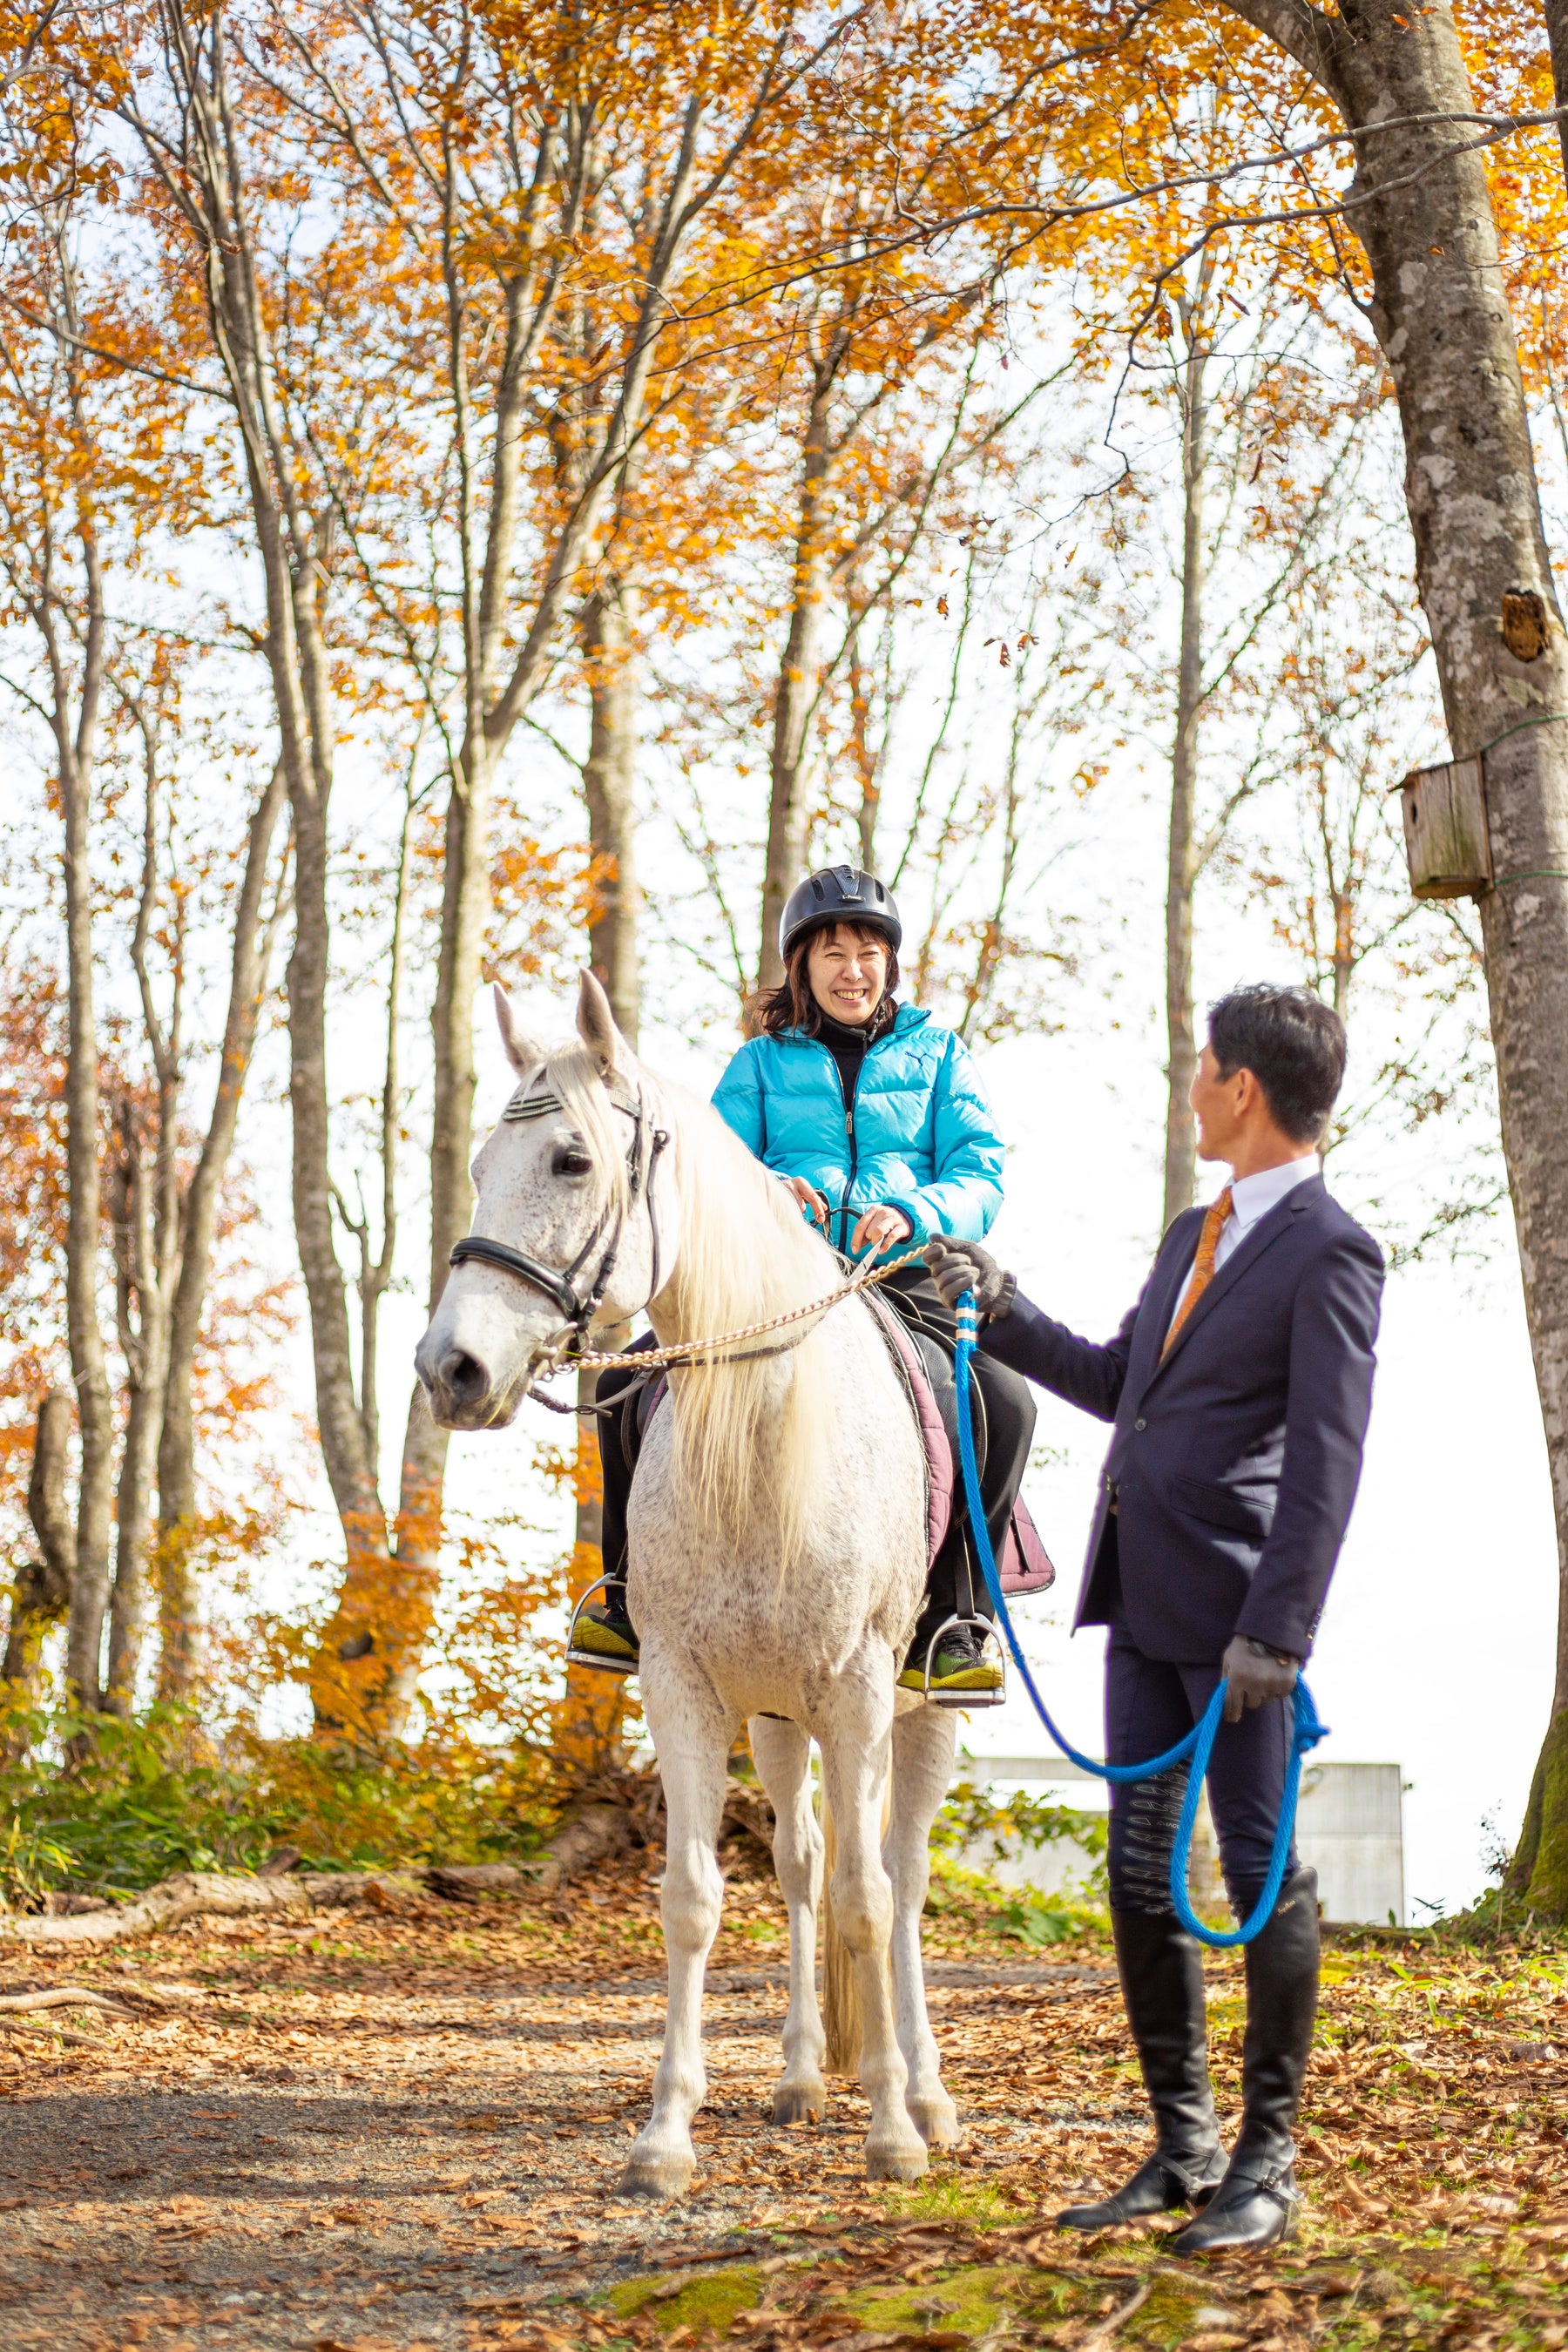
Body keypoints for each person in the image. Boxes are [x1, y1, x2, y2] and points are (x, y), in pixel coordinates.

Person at [925, 983, 1382, 2254]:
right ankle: (1184, 2150)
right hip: (1139, 1598)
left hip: (1241, 1628)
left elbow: (1329, 1461)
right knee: (1136, 1873)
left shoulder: (1332, 1251)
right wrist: (1003, 1305)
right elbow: (1121, 1379)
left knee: (1260, 1870)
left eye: (1203, 1065)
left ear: (1244, 1087)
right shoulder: (1196, 1231)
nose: (1192, 1083)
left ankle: (1266, 2166)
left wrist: (1279, 1631)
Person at [574, 862, 1036, 1698]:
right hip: (777, 1282)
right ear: (801, 967)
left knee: (1003, 1401)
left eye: (868, 953)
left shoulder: (940, 1055)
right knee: (619, 1384)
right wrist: (769, 1190)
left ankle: (958, 1618)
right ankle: (623, 1592)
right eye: (833, 954)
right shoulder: (758, 1063)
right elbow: (710, 1167)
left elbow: (982, 1172)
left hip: (900, 1276)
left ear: (890, 963)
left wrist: (915, 1210)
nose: (852, 971)